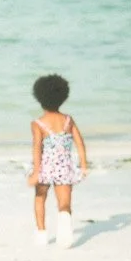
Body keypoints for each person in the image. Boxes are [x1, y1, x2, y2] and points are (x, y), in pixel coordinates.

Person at [28, 72, 88, 247]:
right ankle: (65, 230)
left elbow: (37, 148)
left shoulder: (38, 124)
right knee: (65, 203)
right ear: (63, 96)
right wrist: (83, 165)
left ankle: (41, 233)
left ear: (39, 98)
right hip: (64, 167)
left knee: (40, 198)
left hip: (45, 167)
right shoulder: (68, 120)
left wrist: (36, 172)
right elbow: (79, 142)